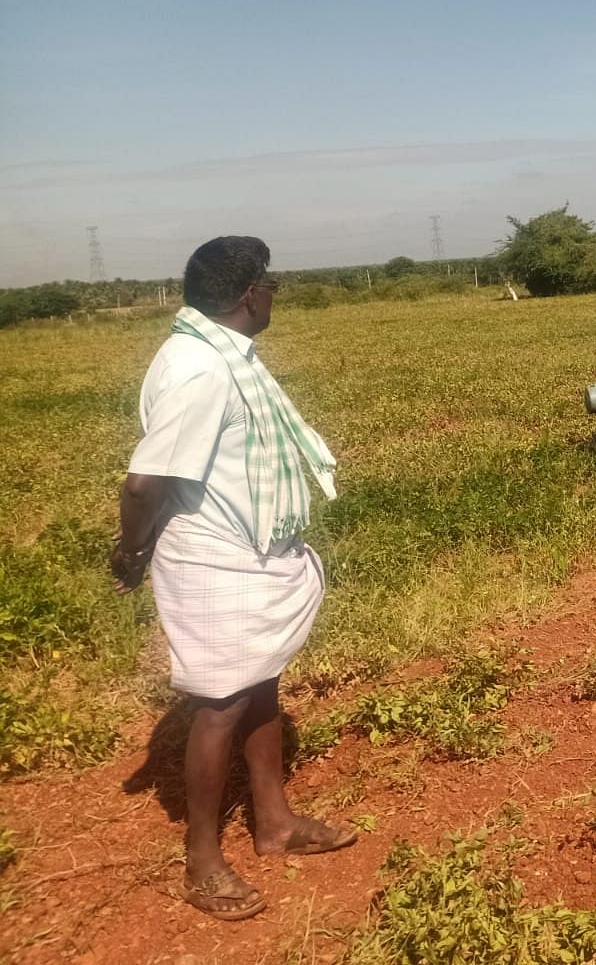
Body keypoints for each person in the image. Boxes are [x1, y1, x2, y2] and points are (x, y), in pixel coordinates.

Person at [110, 236, 353, 921]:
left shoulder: (219, 356)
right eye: (271, 283)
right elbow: (143, 481)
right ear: (252, 295)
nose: (273, 293)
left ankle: (274, 823)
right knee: (219, 704)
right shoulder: (203, 370)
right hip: (215, 556)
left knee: (261, 681)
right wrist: (132, 551)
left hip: (250, 552)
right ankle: (203, 860)